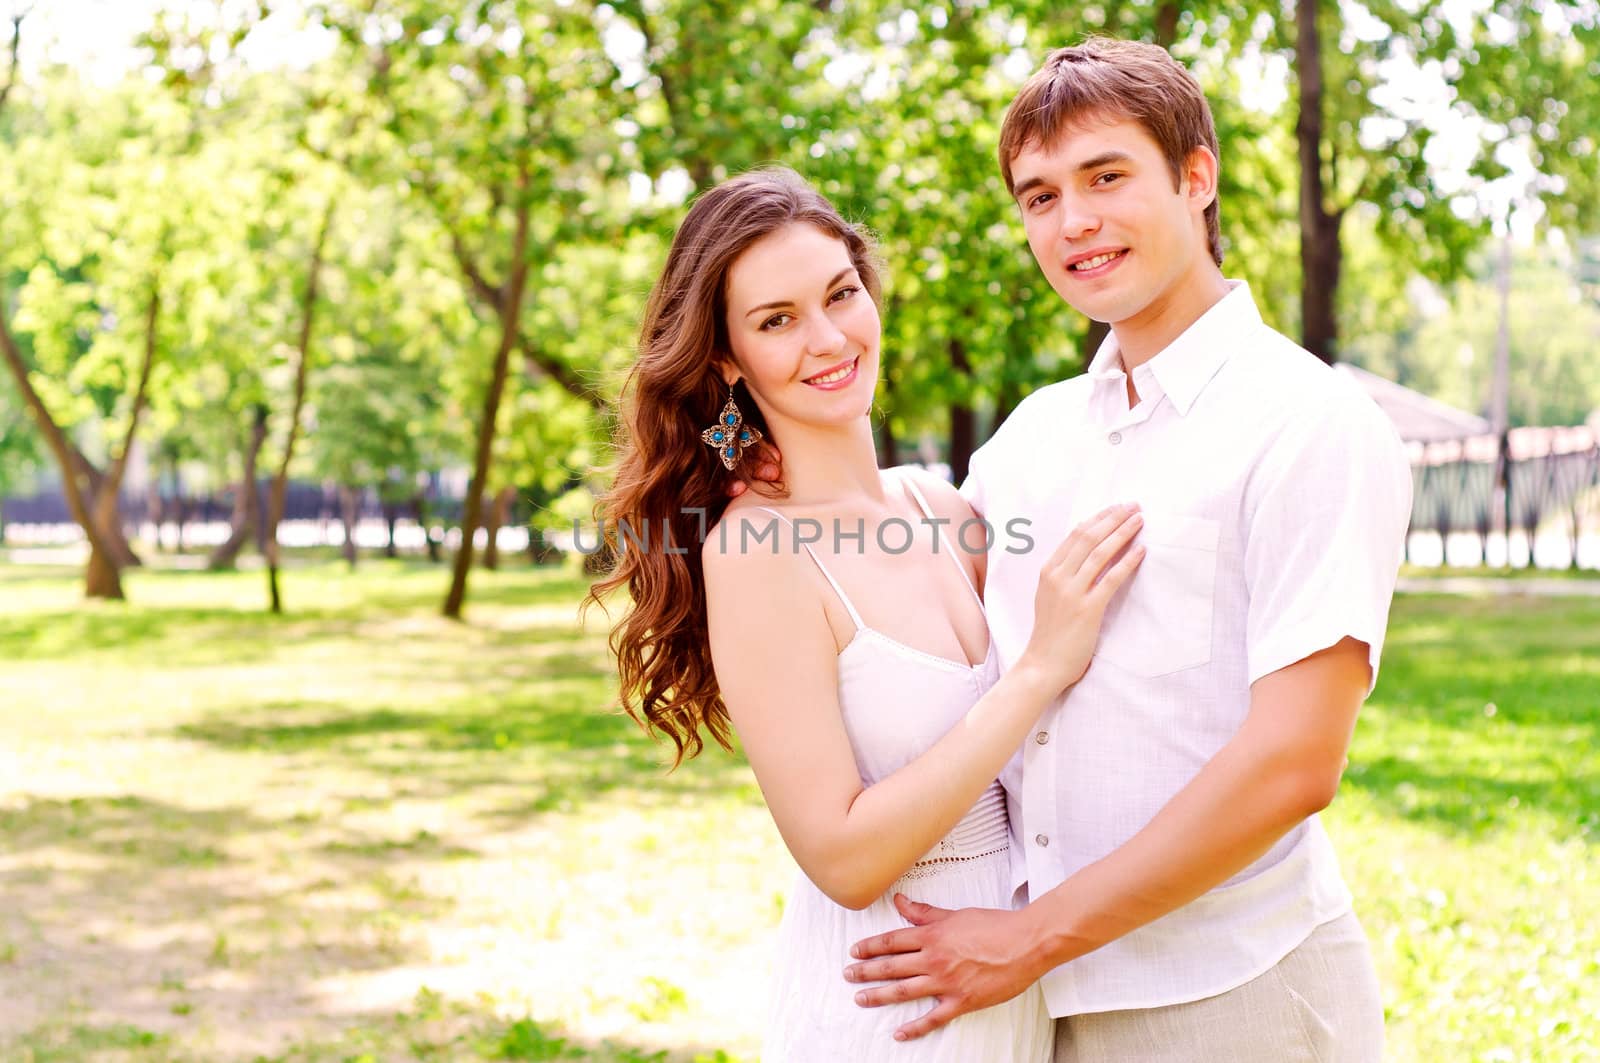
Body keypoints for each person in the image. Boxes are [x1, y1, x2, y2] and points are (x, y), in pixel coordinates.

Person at [835, 38, 1414, 1062]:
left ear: (1197, 178)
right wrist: (730, 436)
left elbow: (1293, 763)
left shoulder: (1310, 420)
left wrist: (1026, 939)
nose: (1073, 222)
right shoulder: (1035, 433)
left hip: (1235, 995)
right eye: (1038, 196)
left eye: (1106, 177)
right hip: (1037, 1010)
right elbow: (885, 550)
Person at [589, 166, 1146, 1061]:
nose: (826, 338)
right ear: (729, 362)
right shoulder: (758, 549)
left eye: (840, 294)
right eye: (777, 320)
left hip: (1020, 992)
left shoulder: (947, 510)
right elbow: (843, 858)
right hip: (890, 1009)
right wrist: (1040, 669)